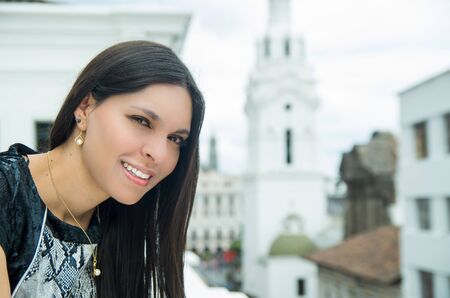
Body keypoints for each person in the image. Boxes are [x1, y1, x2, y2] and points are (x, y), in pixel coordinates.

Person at [0, 40, 205, 297]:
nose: (160, 154)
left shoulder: (121, 228)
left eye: (175, 139)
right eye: (141, 121)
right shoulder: (7, 193)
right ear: (85, 107)